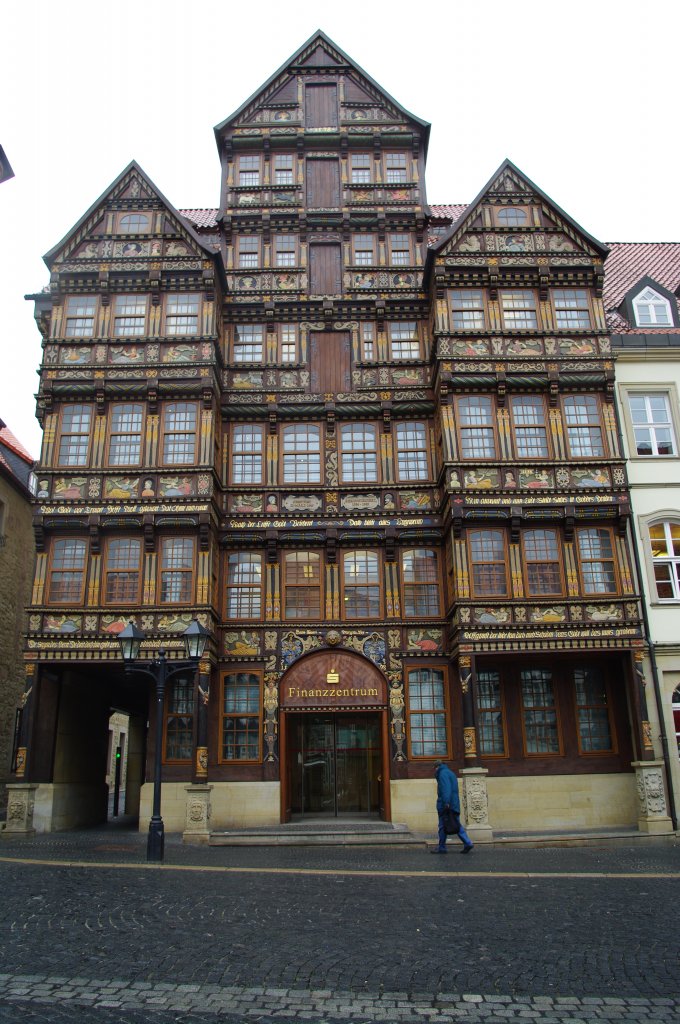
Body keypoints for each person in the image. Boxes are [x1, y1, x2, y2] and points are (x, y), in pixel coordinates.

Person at [431, 759, 473, 854]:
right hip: (454, 803)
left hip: (446, 804)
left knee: (443, 826)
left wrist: (446, 803)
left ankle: (442, 847)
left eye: (434, 768)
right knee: (455, 824)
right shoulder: (450, 772)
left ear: (437, 767)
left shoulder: (442, 774)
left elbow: (446, 789)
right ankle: (467, 842)